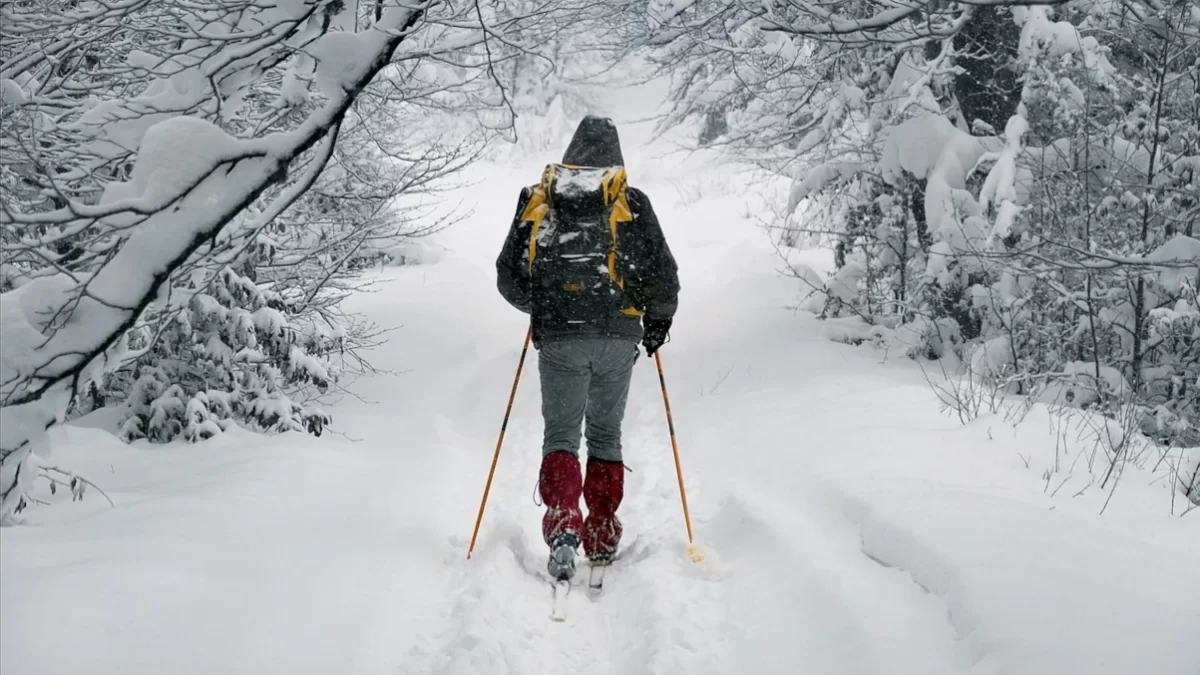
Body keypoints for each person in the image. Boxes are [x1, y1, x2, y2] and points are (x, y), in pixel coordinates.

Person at [495, 115, 680, 580]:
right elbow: (664, 274)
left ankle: (562, 529)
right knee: (605, 434)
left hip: (560, 339)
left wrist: (542, 306)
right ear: (616, 158)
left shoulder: (540, 201)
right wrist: (656, 323)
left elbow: (507, 275)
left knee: (560, 436)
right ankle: (600, 532)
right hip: (619, 337)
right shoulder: (631, 202)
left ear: (572, 152)